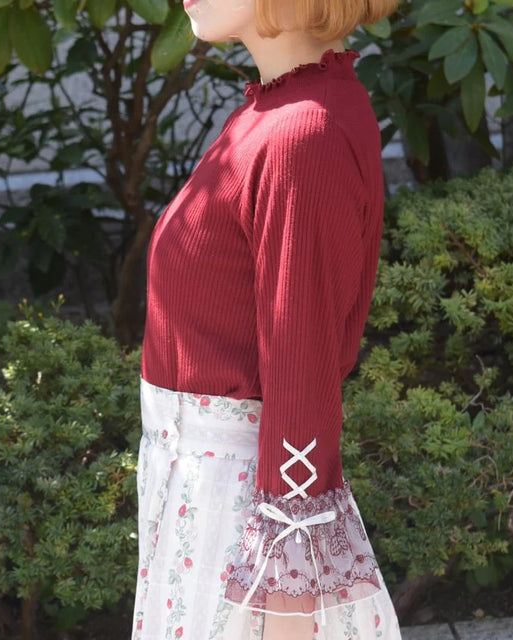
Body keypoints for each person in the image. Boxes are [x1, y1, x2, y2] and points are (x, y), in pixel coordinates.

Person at [131, 0, 402, 638]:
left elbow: (301, 362)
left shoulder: (302, 134)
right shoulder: (280, 111)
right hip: (201, 497)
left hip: (239, 513)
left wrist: (287, 599)